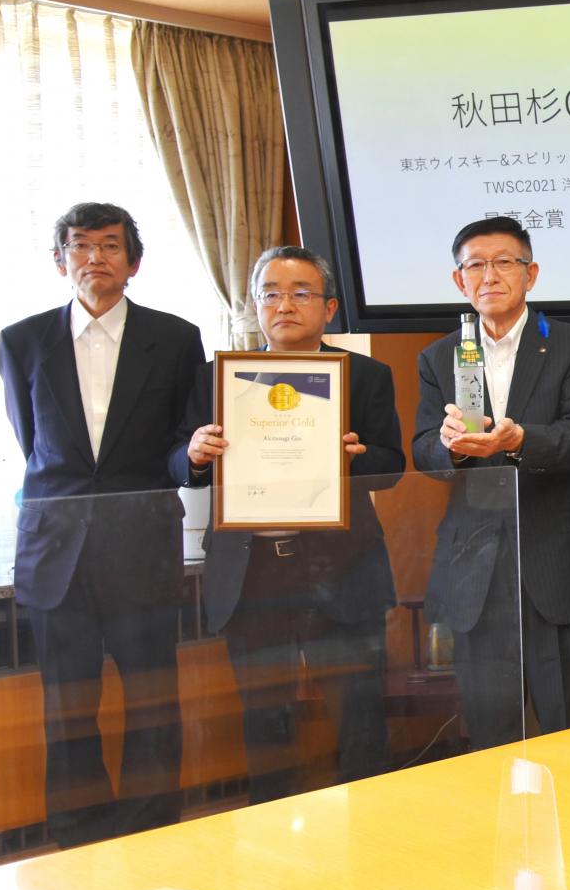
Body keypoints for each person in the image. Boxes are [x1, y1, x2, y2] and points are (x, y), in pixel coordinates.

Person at [0, 202, 202, 846]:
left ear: (133, 262)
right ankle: (76, 834)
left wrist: (195, 462)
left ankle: (151, 829)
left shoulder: (175, 338)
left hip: (141, 544)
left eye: (110, 245)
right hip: (56, 553)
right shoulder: (21, 340)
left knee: (152, 698)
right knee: (66, 704)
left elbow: (179, 443)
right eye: (80, 246)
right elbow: (36, 446)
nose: (95, 257)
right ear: (60, 261)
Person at [171, 246, 402, 803]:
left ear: (329, 308)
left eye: (300, 293)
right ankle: (271, 838)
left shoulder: (365, 376)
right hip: (250, 574)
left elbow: (392, 467)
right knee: (264, 720)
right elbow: (179, 463)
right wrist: (195, 455)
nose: (284, 305)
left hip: (341, 567)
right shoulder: (218, 378)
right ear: (255, 305)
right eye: (270, 294)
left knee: (359, 715)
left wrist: (354, 458)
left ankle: (372, 829)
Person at [413, 216, 570, 744]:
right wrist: (449, 447)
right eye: (475, 266)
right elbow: (422, 451)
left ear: (531, 273)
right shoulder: (438, 356)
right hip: (475, 568)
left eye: (504, 262)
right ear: (459, 280)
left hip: (559, 559)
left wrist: (519, 440)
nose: (489, 275)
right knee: (490, 732)